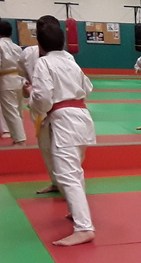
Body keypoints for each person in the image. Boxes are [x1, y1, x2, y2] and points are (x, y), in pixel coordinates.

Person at [23, 22, 97, 246]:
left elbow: (43, 98)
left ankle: (84, 228)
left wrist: (31, 94)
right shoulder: (70, 60)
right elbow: (88, 88)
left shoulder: (44, 62)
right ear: (63, 42)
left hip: (64, 120)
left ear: (40, 45)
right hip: (82, 116)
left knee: (67, 174)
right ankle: (76, 214)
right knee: (75, 170)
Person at [20, 15, 63, 195]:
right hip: (39, 106)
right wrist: (26, 90)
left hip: (59, 107)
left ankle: (66, 184)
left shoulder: (63, 57)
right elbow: (23, 78)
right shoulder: (28, 54)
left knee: (62, 149)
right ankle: (56, 182)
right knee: (45, 147)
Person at [0, 20, 26, 144]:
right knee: (18, 110)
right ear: (11, 33)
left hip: (5, 81)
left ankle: (20, 140)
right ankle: (18, 137)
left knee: (11, 112)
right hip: (18, 79)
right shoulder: (17, 47)